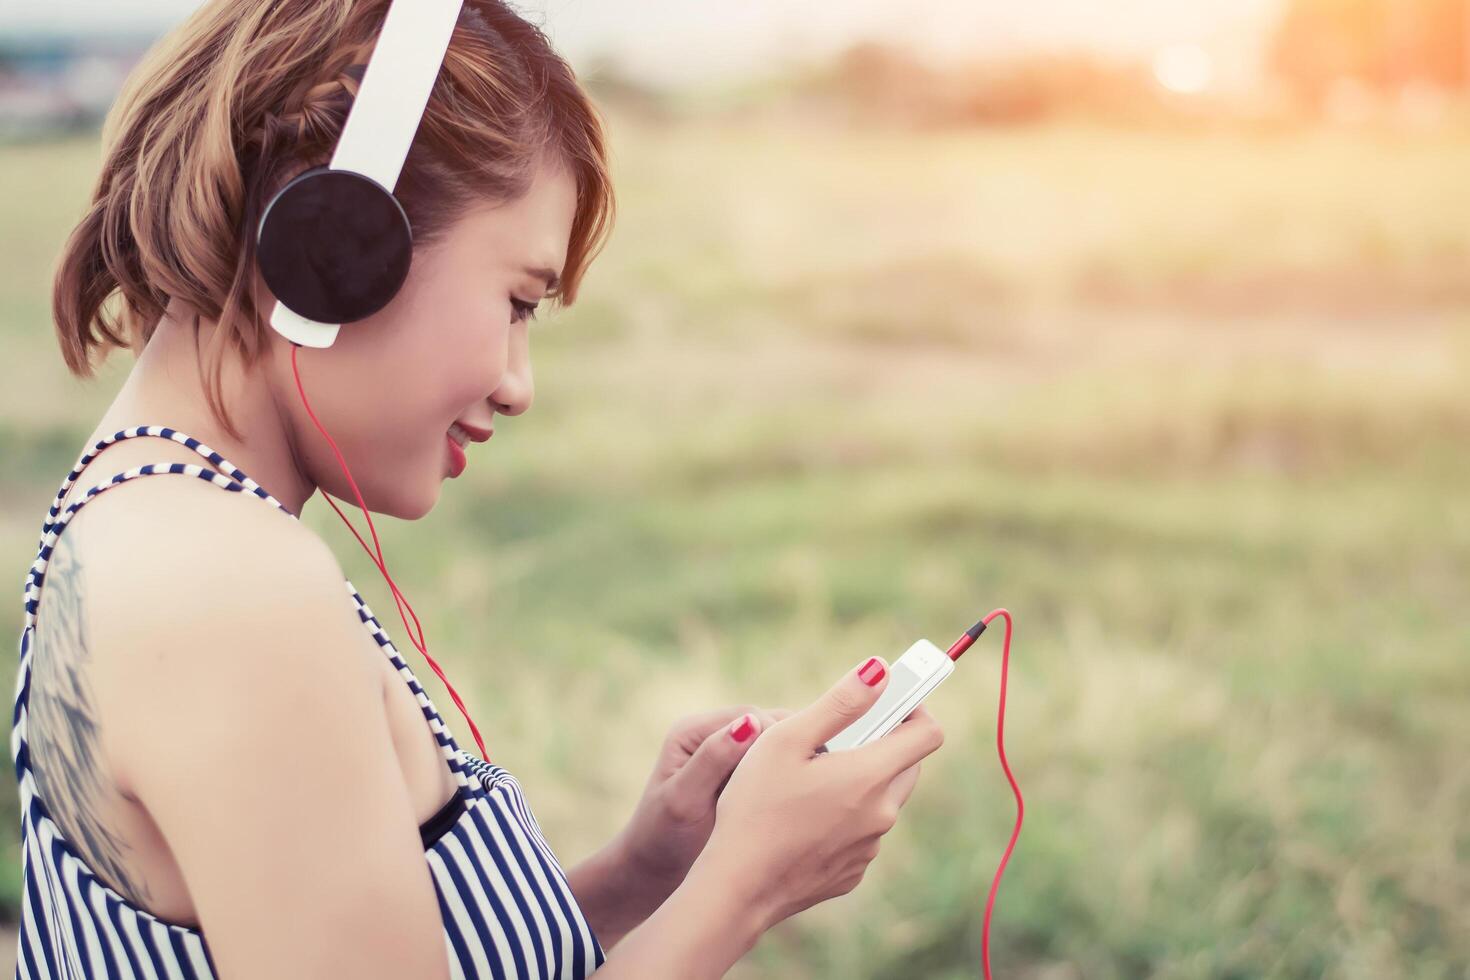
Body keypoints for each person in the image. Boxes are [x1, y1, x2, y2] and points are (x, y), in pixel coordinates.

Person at [13, 1, 947, 977]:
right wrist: (747, 881)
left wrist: (647, 869)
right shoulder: (227, 588)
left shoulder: (148, 517)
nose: (518, 381)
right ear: (333, 238)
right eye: (516, 301)